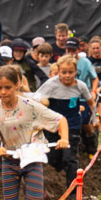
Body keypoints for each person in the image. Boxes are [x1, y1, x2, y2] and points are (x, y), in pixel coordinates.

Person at [0, 66, 69, 200]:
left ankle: (43, 196)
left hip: (32, 157)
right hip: (10, 160)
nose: (3, 92)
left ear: (17, 85)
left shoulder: (30, 106)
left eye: (8, 87)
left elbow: (60, 120)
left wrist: (64, 138)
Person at [36, 56, 95, 188]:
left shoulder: (81, 86)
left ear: (76, 72)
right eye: (64, 72)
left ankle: (73, 190)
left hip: (72, 125)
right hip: (52, 125)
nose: (67, 76)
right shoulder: (51, 84)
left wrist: (95, 118)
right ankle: (59, 164)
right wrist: (43, 102)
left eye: (70, 72)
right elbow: (36, 98)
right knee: (52, 158)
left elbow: (91, 102)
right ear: (58, 72)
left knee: (70, 158)